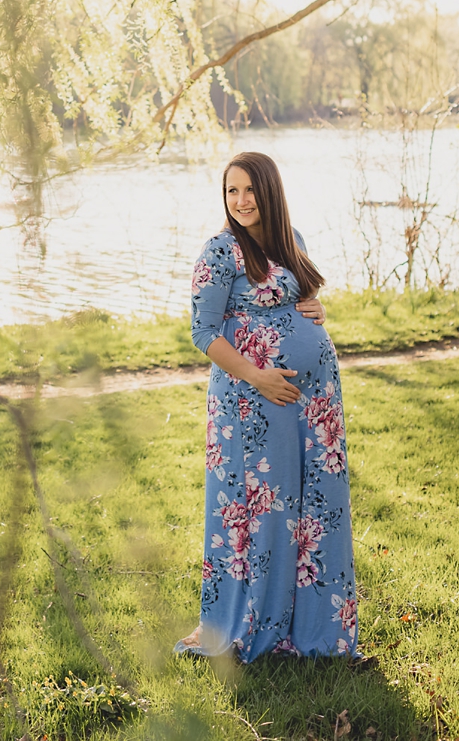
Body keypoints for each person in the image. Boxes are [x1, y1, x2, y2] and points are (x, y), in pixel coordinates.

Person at [177, 151, 357, 660]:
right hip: (252, 403)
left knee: (315, 508)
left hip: (314, 405)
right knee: (264, 511)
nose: (240, 201)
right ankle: (257, 619)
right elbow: (203, 332)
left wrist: (317, 308)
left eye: (250, 190)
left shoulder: (291, 241)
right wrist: (257, 376)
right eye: (231, 191)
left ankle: (314, 628)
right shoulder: (218, 253)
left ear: (270, 192)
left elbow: (299, 298)